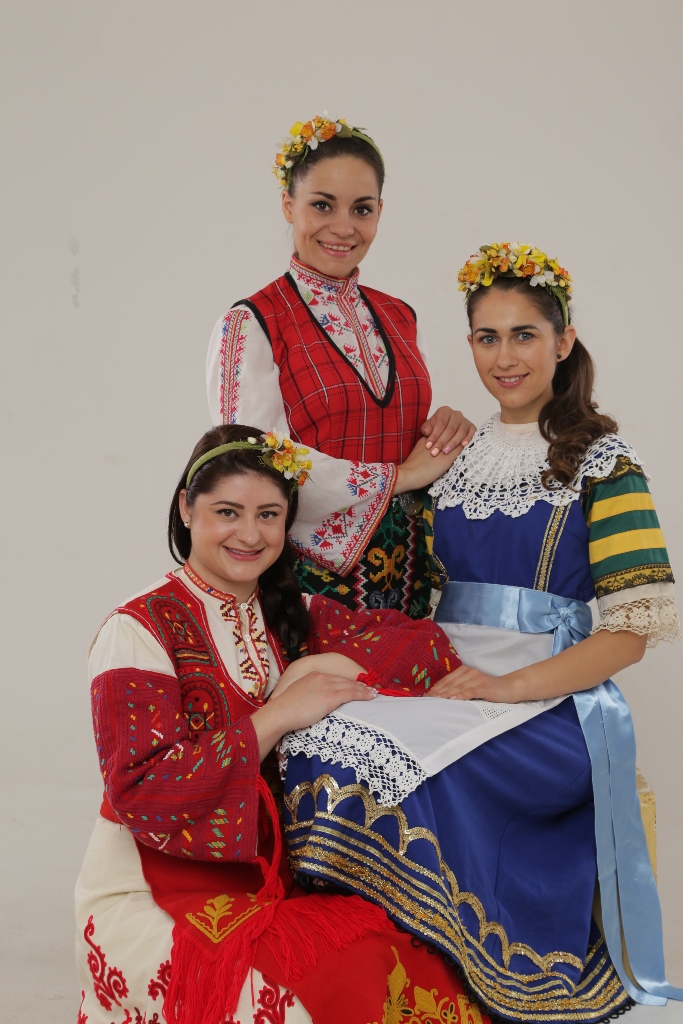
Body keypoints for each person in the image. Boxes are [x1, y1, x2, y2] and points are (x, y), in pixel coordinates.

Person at [281, 243, 682, 1023]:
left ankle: (473, 975)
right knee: (317, 738)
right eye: (487, 337)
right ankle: (369, 976)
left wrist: (506, 688)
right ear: (467, 343)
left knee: (418, 775)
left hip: (550, 704)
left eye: (524, 335)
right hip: (444, 681)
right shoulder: (454, 457)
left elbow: (628, 635)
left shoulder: (603, 464)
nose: (504, 358)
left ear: (563, 341)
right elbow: (369, 544)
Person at [75, 423, 490, 1024]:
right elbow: (142, 793)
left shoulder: (286, 613)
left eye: (268, 515)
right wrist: (276, 716)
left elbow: (421, 648)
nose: (250, 534)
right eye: (228, 511)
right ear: (187, 508)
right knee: (331, 983)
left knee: (422, 952)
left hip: (277, 870)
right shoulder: (138, 629)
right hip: (154, 883)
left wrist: (324, 667)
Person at [206, 114, 474, 618]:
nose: (344, 227)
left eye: (362, 209)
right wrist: (400, 476)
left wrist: (445, 431)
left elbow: (408, 437)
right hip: (305, 588)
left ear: (380, 212)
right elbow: (253, 470)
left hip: (412, 577)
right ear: (288, 204)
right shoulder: (253, 323)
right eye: (322, 205)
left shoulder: (400, 315)